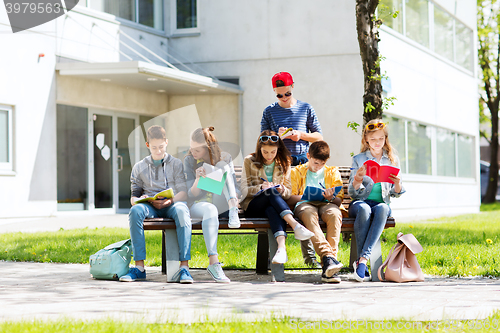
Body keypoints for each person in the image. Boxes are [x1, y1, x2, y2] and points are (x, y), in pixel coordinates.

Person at [260, 71, 324, 267]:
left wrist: (300, 135)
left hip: (303, 164)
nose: (284, 98)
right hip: (280, 165)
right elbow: (263, 139)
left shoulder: (305, 108)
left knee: (304, 204)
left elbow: (319, 136)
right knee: (289, 204)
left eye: (286, 93)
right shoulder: (269, 111)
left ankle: (311, 257)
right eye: (279, 95)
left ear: (292, 86)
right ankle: (306, 255)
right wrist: (276, 137)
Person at [120, 125, 193, 283]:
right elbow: (133, 198)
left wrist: (170, 200)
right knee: (135, 211)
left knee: (182, 210)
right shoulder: (139, 167)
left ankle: (184, 268)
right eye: (154, 147)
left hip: (172, 204)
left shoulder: (176, 164)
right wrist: (142, 199)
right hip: (149, 206)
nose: (158, 151)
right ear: (147, 145)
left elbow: (183, 193)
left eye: (161, 146)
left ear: (166, 142)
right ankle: (139, 268)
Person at [240, 130, 314, 264]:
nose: (269, 156)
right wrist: (260, 188)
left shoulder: (284, 161)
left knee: (272, 208)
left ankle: (281, 249)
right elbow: (244, 190)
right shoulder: (249, 160)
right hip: (253, 205)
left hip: (274, 206)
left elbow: (288, 192)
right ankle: (295, 225)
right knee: (269, 192)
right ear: (259, 149)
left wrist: (282, 189)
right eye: (265, 152)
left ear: (278, 149)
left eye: (273, 152)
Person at [348, 119, 405, 282]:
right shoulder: (359, 159)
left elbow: (397, 193)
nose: (377, 142)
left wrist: (397, 183)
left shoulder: (392, 160)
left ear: (385, 139)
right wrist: (357, 180)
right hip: (360, 203)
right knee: (365, 209)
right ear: (366, 140)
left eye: (380, 139)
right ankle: (363, 261)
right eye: (373, 139)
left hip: (381, 203)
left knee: (382, 209)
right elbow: (352, 192)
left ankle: (362, 261)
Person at [184, 127, 240, 283]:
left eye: (197, 150)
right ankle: (214, 263)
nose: (193, 152)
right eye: (191, 148)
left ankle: (233, 206)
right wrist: (198, 180)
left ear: (208, 148)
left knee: (222, 164)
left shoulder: (224, 157)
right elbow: (191, 194)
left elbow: (233, 186)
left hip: (222, 201)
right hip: (199, 205)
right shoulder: (189, 160)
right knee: (210, 209)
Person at [288, 141, 346, 283]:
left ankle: (328, 266)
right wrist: (306, 196)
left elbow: (339, 201)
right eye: (315, 163)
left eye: (321, 163)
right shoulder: (297, 172)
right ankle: (329, 259)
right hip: (305, 204)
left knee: (335, 214)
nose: (318, 166)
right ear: (308, 156)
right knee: (309, 214)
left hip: (327, 204)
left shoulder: (332, 172)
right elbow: (289, 198)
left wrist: (331, 197)